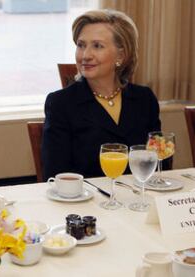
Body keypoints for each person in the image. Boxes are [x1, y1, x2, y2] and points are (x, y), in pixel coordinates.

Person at [42, 9, 161, 180]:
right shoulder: (60, 103)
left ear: (121, 55)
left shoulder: (145, 99)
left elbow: (159, 162)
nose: (85, 55)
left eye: (97, 46)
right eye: (81, 45)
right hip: (85, 203)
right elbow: (55, 175)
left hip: (139, 200)